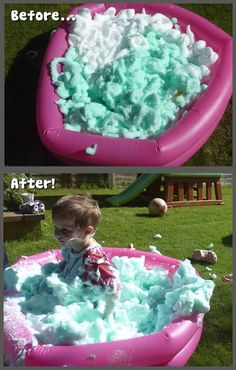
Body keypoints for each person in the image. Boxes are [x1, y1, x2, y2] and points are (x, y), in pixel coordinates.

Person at [43, 194, 120, 316]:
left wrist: (107, 316)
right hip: (70, 299)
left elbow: (114, 287)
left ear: (87, 231)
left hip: (86, 309)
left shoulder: (93, 260)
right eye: (56, 227)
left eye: (65, 229)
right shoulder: (72, 245)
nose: (57, 234)